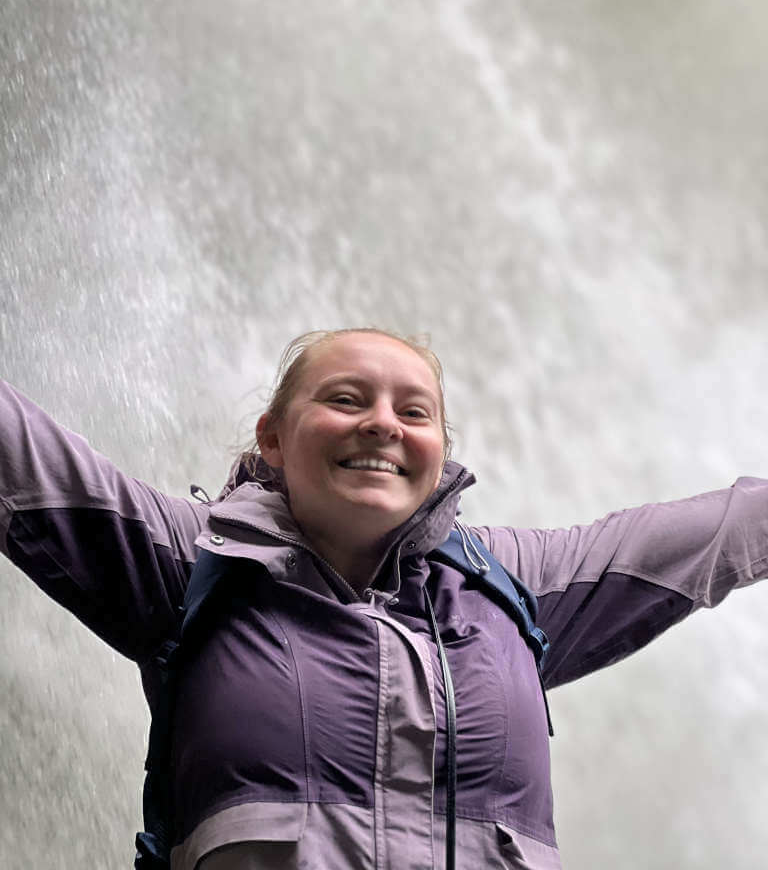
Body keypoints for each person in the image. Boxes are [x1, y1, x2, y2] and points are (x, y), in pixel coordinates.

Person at [2, 326, 767, 870]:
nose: (381, 425)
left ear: (440, 450)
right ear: (272, 437)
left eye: (414, 411)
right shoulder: (189, 561)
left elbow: (722, 533)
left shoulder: (512, 588)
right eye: (345, 398)